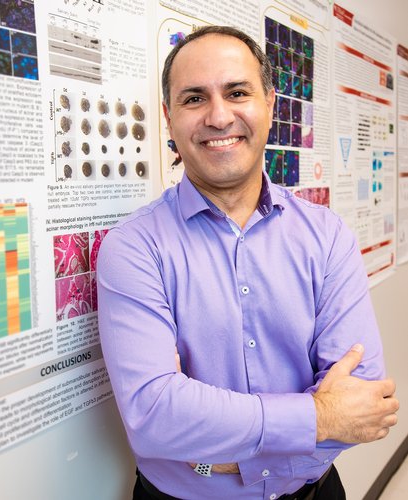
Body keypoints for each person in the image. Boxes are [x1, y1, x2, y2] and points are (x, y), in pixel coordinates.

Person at [97, 26, 398, 500]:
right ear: (168, 118)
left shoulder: (327, 235)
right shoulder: (133, 248)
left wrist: (211, 450)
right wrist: (318, 416)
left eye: (237, 92)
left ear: (271, 105)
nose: (219, 116)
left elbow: (363, 400)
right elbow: (155, 415)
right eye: (194, 98)